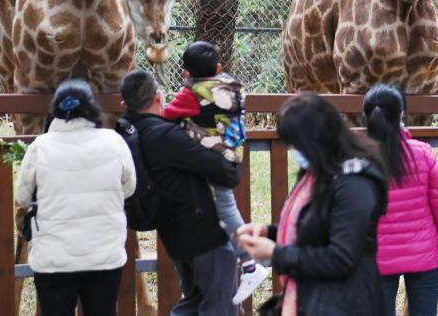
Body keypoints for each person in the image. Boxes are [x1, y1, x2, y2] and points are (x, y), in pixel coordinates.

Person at [237, 92, 388, 316]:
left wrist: (277, 254)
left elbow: (340, 258)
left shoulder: (355, 184)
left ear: (317, 139)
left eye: (296, 144)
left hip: (344, 305)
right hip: (314, 300)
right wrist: (269, 232)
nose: (293, 151)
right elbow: (315, 226)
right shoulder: (317, 173)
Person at [119, 70, 241, 316]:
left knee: (193, 302)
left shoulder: (127, 135)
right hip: (204, 234)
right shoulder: (166, 136)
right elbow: (227, 173)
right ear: (158, 96)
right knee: (218, 305)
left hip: (173, 235)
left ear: (124, 104)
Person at [160, 41, 268, 304]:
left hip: (213, 158)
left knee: (225, 207)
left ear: (185, 73)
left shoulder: (193, 95)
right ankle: (242, 260)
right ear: (219, 67)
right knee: (218, 210)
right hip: (232, 153)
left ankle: (251, 264)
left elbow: (165, 116)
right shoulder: (233, 87)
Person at [16, 79, 135, 316]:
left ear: (56, 110)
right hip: (104, 254)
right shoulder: (114, 142)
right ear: (92, 107)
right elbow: (129, 188)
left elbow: (23, 197)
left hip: (54, 258)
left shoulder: (41, 146)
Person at [364, 84, 438, 316]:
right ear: (401, 115)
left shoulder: (356, 158)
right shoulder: (423, 153)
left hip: (375, 260)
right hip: (423, 256)